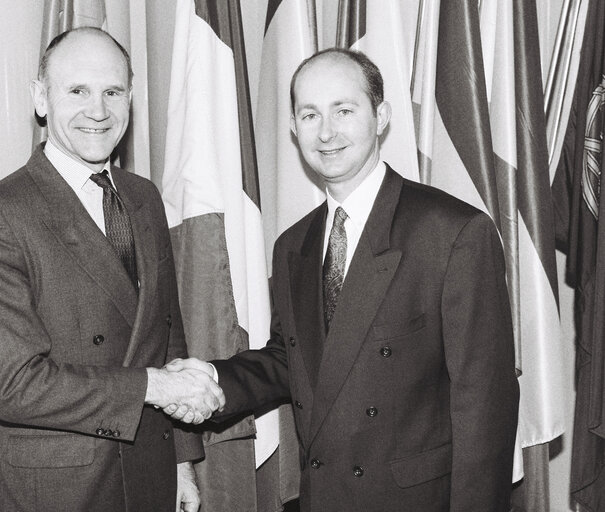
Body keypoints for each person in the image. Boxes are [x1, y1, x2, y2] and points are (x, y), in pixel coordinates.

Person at [167, 48, 520, 511]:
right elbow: (294, 362)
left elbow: (485, 407)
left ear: (381, 116)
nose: (327, 132)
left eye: (344, 110)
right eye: (310, 114)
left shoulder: (453, 232)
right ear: (294, 128)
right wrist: (214, 379)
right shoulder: (294, 244)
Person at [0, 27, 224, 512]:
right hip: (58, 489)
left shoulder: (143, 197)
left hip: (149, 471)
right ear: (41, 98)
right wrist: (157, 386)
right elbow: (15, 386)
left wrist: (182, 463)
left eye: (112, 92)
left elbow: (167, 335)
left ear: (130, 98)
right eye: (77, 90)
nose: (97, 111)